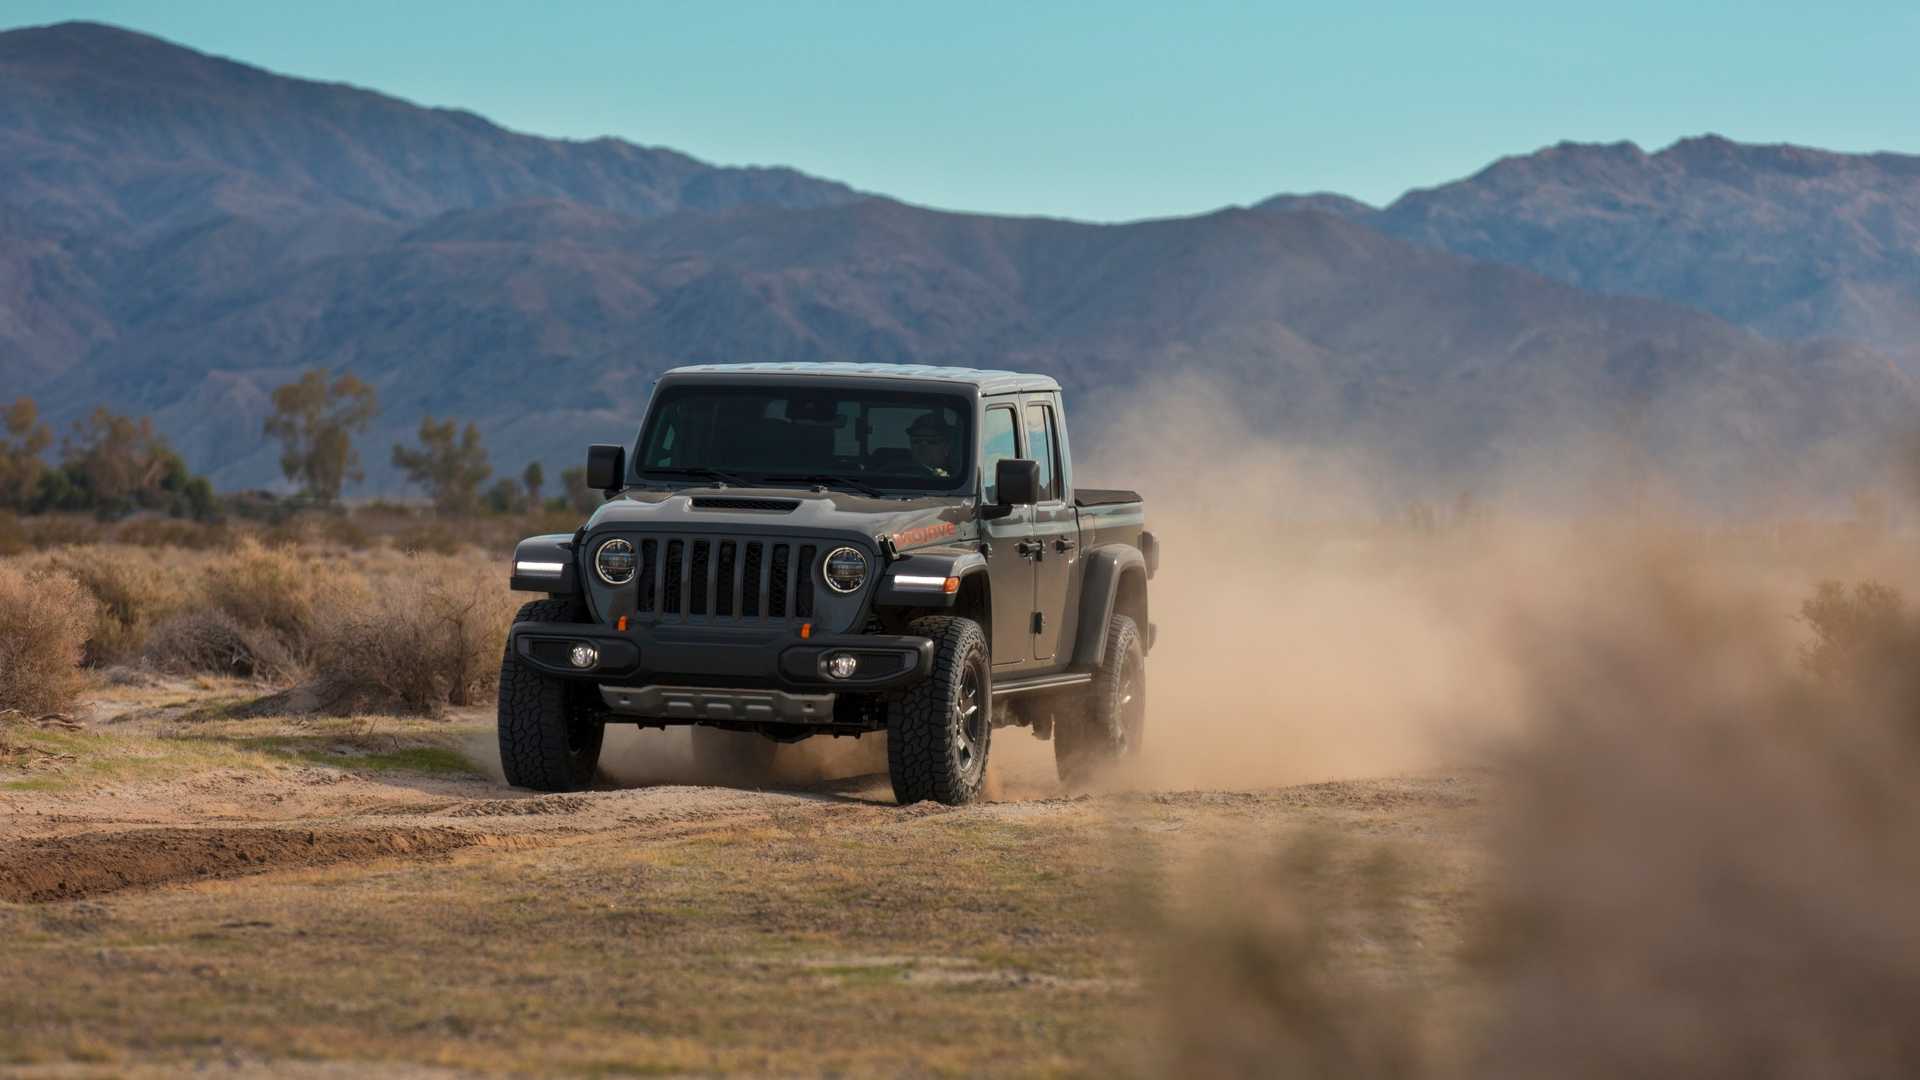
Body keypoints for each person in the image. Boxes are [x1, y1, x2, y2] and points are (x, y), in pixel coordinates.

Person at [906, 411, 956, 478]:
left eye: (931, 441)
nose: (923, 446)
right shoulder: (898, 472)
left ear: (946, 447)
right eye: (917, 441)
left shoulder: (956, 478)